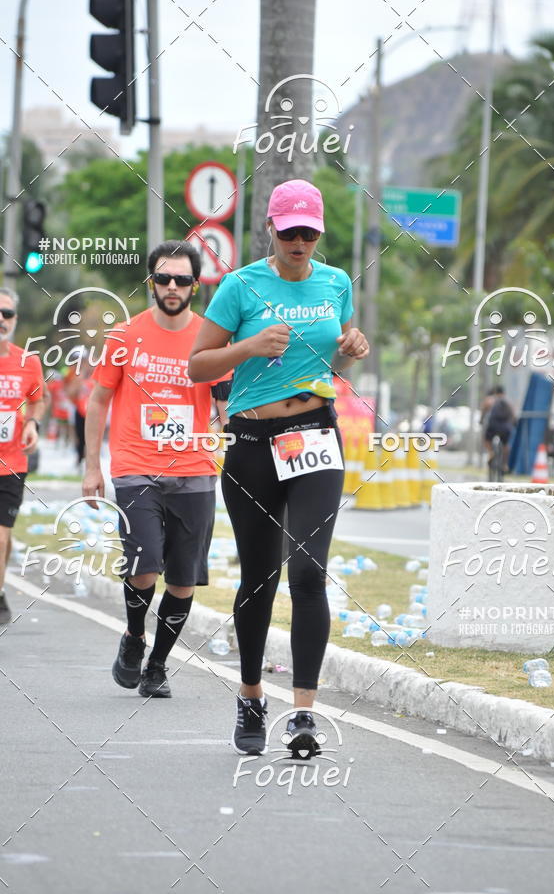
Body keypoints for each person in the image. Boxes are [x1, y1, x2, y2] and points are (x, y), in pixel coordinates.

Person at [189, 179, 369, 757]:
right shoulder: (240, 286)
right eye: (290, 231)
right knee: (259, 577)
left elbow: (335, 349)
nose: (299, 242)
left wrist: (351, 345)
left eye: (309, 233)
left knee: (309, 572)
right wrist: (248, 347)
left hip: (314, 433)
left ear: (319, 233)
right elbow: (198, 366)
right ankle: (250, 696)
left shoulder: (336, 282)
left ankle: (304, 714)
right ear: (270, 227)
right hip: (252, 439)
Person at [82, 240, 230, 697]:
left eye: (181, 280)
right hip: (136, 467)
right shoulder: (125, 336)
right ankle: (134, 635)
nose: (172, 287)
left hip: (194, 469)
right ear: (151, 282)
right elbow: (99, 400)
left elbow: (225, 406)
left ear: (194, 286)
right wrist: (92, 467)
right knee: (143, 567)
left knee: (183, 580)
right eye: (163, 278)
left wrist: (240, 451)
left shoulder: (212, 338)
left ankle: (157, 665)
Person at [0, 288, 45, 625]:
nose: (1, 319)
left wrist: (32, 422)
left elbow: (38, 399)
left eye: (7, 314)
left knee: (1, 535)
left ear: (15, 319)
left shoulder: (28, 362)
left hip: (12, 462)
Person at [484, 385, 516, 472]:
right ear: (504, 393)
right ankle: (505, 464)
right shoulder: (508, 402)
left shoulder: (490, 400)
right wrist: (513, 424)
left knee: (486, 440)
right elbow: (513, 415)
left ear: (495, 392)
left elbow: (483, 412)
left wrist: (481, 420)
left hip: (493, 427)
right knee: (506, 445)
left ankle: (491, 452)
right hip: (506, 427)